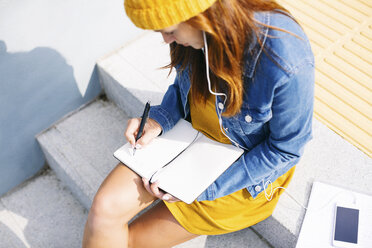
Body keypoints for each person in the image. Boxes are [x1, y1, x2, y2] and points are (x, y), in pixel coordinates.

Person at [82, 0, 314, 247]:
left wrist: (201, 187)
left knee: (134, 242)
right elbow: (183, 87)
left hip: (238, 172)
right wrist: (158, 120)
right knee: (104, 209)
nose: (166, 40)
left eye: (170, 31)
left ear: (202, 14)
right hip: (185, 137)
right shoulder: (194, 36)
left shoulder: (284, 58)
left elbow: (285, 149)